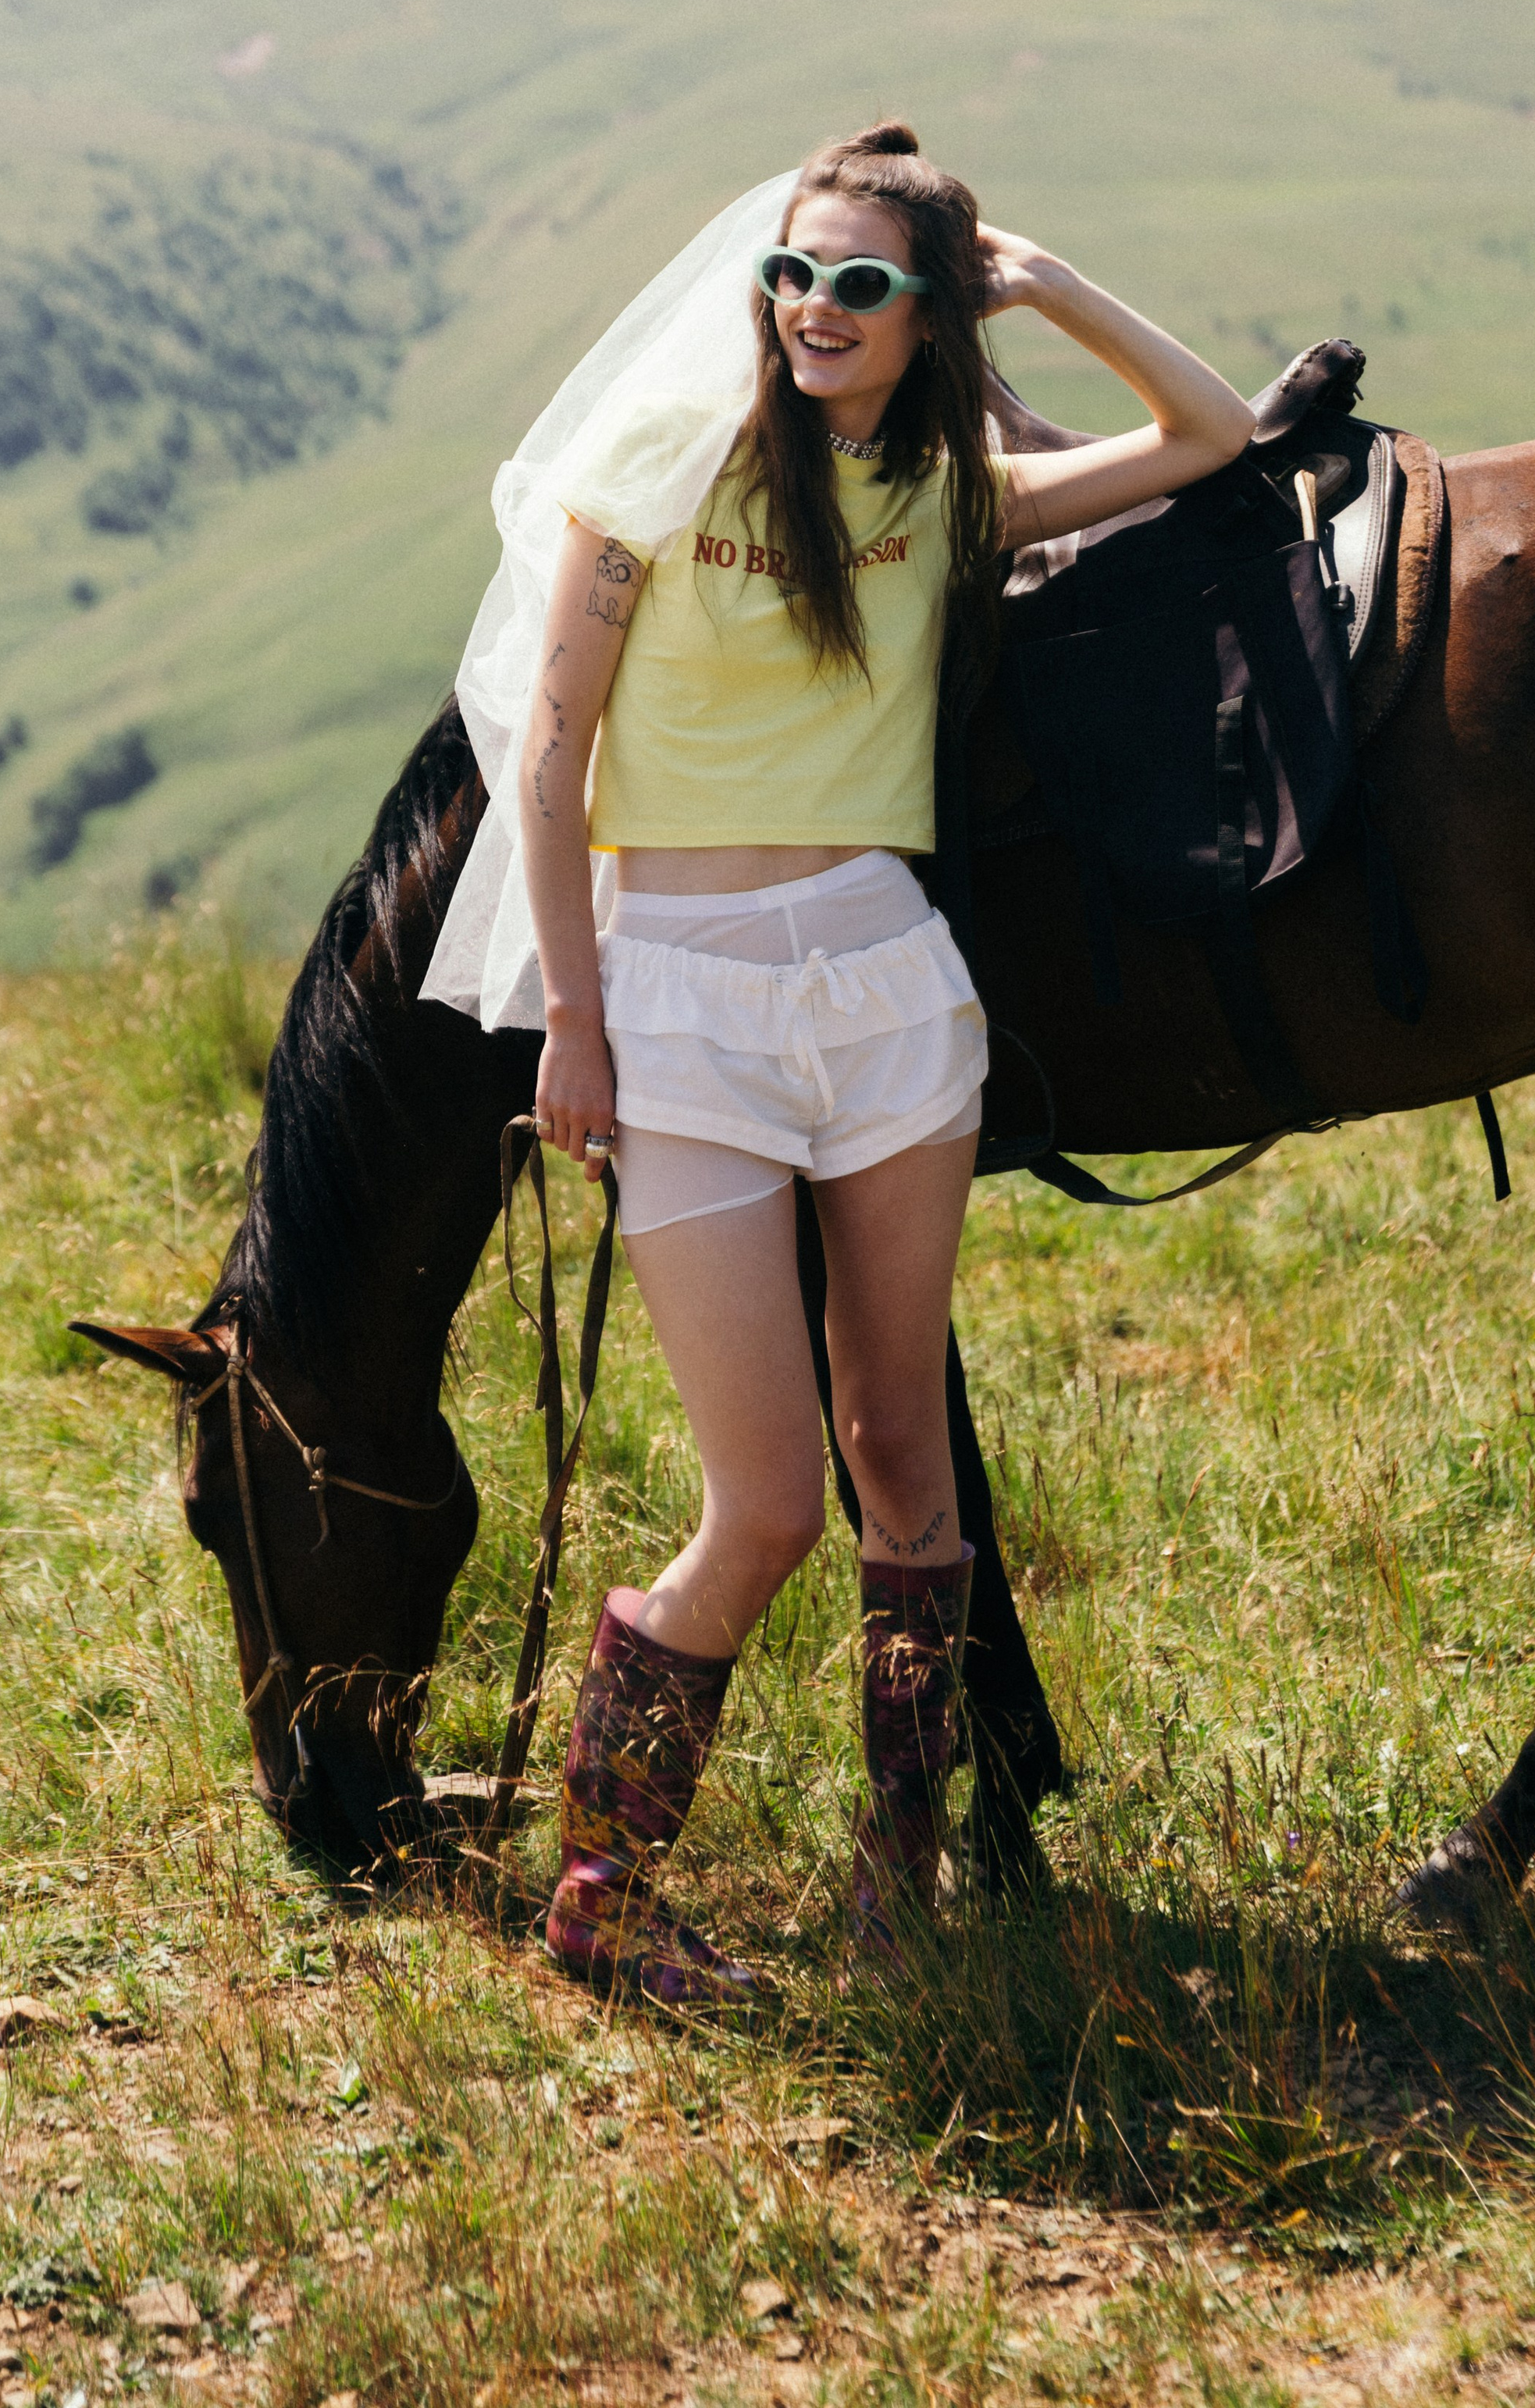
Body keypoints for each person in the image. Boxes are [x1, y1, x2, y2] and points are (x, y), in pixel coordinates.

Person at [512, 120, 1254, 2002]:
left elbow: (1208, 436)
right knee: (762, 1502)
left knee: (902, 1459)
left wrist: (1056, 285)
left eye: (859, 283)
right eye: (792, 274)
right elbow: (546, 758)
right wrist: (575, 1019)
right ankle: (596, 1904)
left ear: (926, 315)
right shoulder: (657, 466)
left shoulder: (946, 499)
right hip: (678, 1004)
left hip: (885, 993)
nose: (813, 309)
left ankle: (895, 1878)